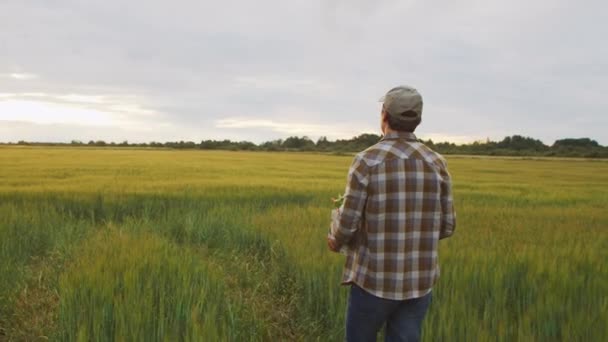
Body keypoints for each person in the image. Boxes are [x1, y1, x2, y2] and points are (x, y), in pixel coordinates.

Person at [327, 85, 456, 342]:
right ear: (417, 120)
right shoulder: (436, 163)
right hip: (418, 284)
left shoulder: (367, 161)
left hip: (373, 282)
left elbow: (348, 223)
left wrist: (335, 239)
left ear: (384, 115)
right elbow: (448, 225)